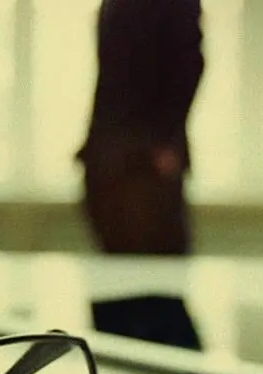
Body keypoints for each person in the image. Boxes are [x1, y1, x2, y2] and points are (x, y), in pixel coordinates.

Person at [77, 0, 205, 255]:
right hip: (113, 155)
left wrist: (164, 140)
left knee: (154, 254)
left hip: (144, 159)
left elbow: (188, 65)